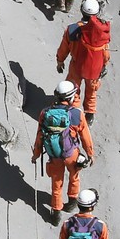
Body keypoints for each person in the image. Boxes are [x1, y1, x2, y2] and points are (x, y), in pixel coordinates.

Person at [32, 81, 94, 221]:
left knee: (56, 181)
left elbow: (39, 135)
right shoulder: (77, 114)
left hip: (54, 154)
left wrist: (36, 154)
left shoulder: (45, 113)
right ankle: (72, 201)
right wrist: (90, 154)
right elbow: (85, 136)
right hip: (71, 153)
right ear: (71, 97)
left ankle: (56, 211)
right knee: (74, 176)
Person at [57, 0, 111, 121]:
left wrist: (60, 61)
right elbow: (106, 53)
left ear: (82, 11)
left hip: (77, 66)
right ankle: (89, 115)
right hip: (95, 69)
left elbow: (64, 48)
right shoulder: (102, 32)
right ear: (97, 13)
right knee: (91, 92)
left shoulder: (72, 29)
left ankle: (75, 113)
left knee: (73, 89)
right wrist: (104, 65)